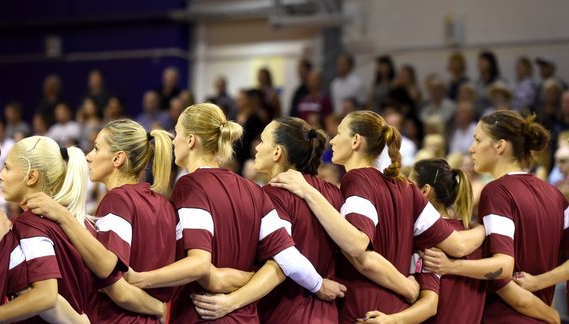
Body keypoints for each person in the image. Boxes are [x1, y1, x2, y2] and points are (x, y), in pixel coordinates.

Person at [125, 103, 345, 323]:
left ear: (191, 140)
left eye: (177, 133)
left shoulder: (191, 185)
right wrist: (247, 278)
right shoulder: (253, 189)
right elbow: (285, 257)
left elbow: (200, 265)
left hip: (203, 313)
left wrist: (138, 279)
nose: (173, 140)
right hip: (250, 317)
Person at [190, 117, 416, 323]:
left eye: (262, 140)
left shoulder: (273, 194)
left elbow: (282, 263)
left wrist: (232, 301)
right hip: (329, 314)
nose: (257, 147)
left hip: (284, 313)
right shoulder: (334, 193)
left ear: (277, 152)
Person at [270, 110, 486, 323]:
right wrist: (487, 226)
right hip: (400, 311)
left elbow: (358, 247)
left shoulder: (357, 180)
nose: (333, 141)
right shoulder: (408, 186)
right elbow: (458, 245)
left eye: (339, 133)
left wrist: (308, 192)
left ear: (356, 141)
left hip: (363, 311)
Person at [24, 120, 176, 323]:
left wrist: (62, 214)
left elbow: (112, 282)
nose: (88, 156)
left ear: (118, 158)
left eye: (96, 148)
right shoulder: (163, 204)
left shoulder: (118, 199)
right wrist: (158, 307)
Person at [423, 111, 563, 323]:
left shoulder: (497, 191)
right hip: (539, 316)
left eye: (478, 140)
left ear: (500, 146)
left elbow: (503, 267)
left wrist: (452, 266)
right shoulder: (556, 195)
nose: (471, 149)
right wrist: (540, 284)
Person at [0, 136, 94, 323]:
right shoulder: (69, 224)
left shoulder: (29, 225)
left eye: (7, 168)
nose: (0, 175)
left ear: (31, 177)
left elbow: (46, 296)